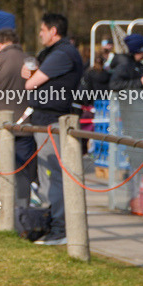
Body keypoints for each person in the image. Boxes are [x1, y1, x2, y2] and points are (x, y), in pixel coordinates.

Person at [22, 12, 84, 245]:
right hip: (45, 119)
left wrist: (31, 77)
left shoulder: (63, 53)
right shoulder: (56, 53)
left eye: (42, 30)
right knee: (49, 177)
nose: (39, 34)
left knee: (53, 176)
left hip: (53, 120)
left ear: (53, 31)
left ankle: (60, 228)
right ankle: (53, 225)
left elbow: (31, 83)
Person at [0, 28, 37, 203]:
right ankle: (23, 210)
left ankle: (3, 210)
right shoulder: (31, 61)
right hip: (26, 123)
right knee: (23, 171)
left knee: (2, 169)